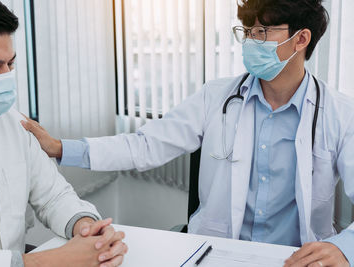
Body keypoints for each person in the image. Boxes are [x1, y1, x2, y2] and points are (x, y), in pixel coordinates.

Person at [22, 0, 353, 266]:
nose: (251, 41)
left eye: (263, 31)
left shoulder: (340, 114)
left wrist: (343, 249)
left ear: (301, 38)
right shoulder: (216, 97)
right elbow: (146, 145)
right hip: (216, 252)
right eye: (248, 31)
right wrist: (60, 147)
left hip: (298, 259)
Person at [0, 1, 128, 267]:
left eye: (10, 64)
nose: (6, 77)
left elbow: (53, 196)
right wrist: (44, 261)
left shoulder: (15, 124)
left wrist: (88, 229)